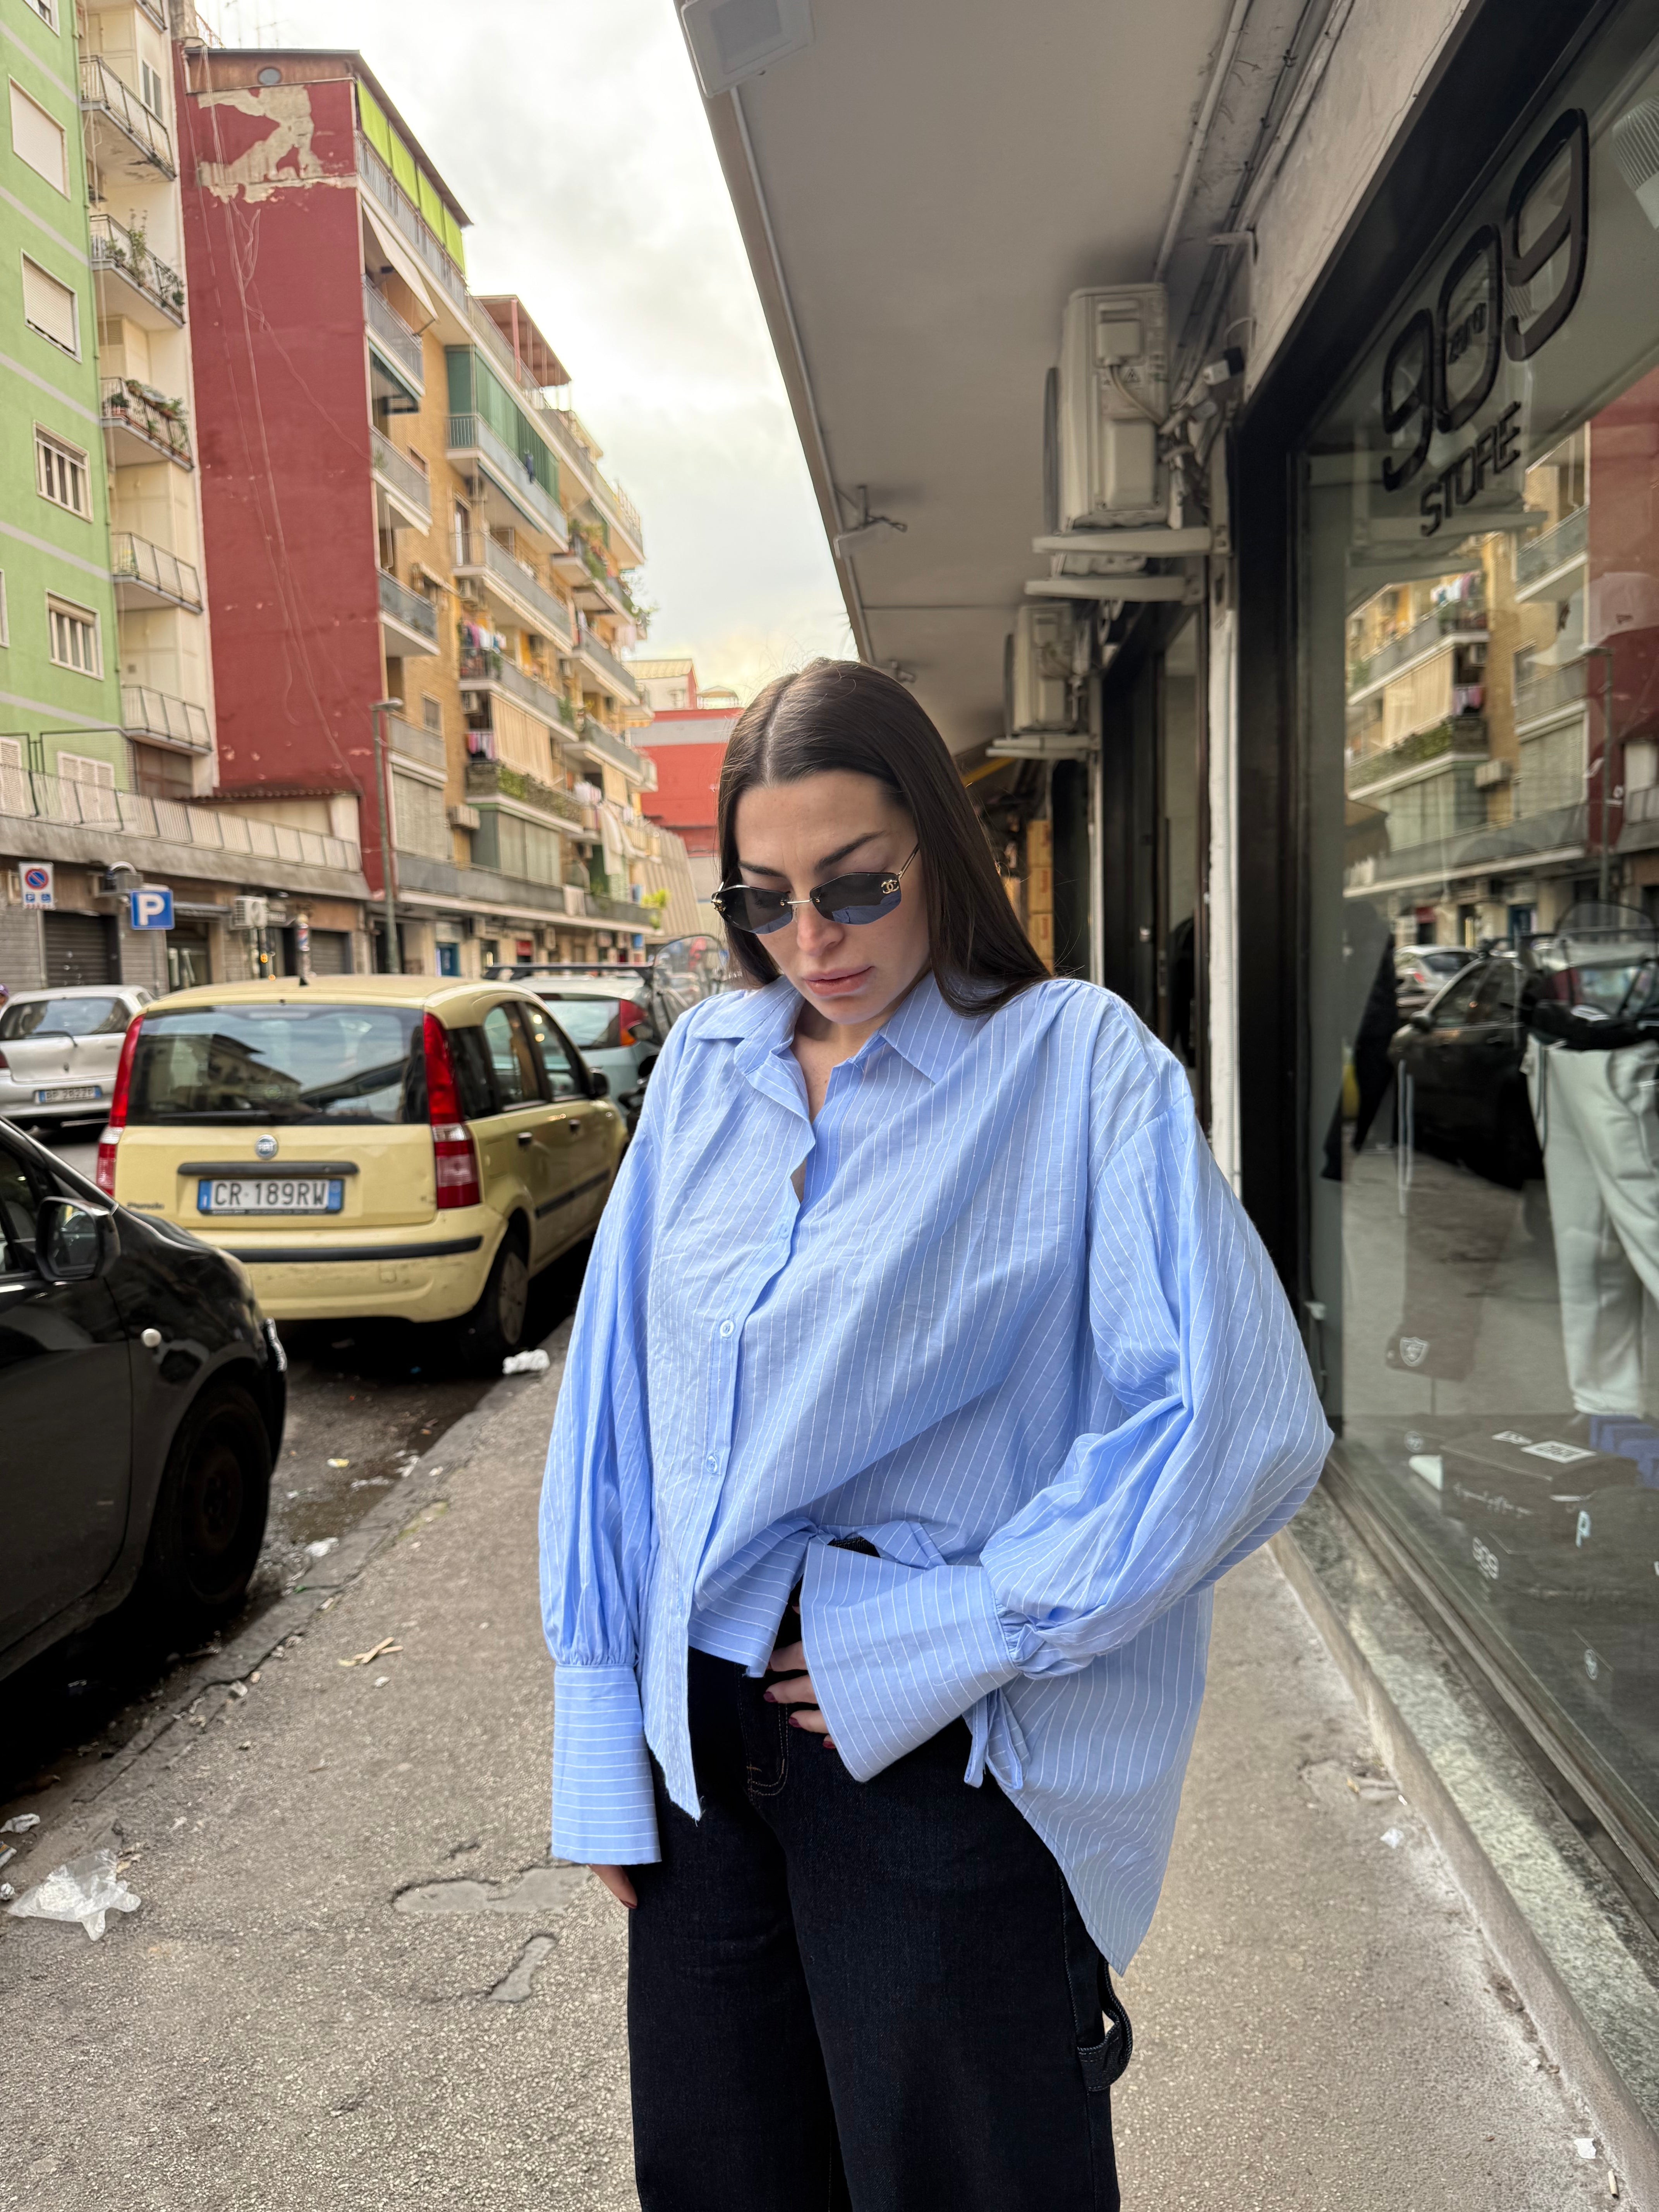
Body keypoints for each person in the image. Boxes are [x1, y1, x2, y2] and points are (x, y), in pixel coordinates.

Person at [540, 659, 1330, 2212]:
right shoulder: (706, 1070)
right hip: (693, 1745)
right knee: (720, 2175)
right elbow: (616, 1410)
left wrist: (962, 1625)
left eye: (857, 886)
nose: (812, 941)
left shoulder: (1074, 1065)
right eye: (764, 901)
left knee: (968, 2179)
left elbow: (1237, 1414)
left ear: (941, 852)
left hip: (926, 1744)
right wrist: (596, 1722)